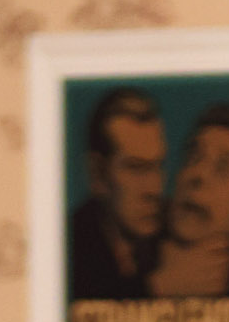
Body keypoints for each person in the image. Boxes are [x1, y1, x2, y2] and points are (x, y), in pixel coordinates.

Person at [149, 98, 229, 320]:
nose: (198, 175)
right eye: (192, 157)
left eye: (222, 168)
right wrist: (156, 288)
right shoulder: (119, 261)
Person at [66, 86, 168, 301]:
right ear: (98, 174)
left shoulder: (177, 232)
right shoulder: (67, 248)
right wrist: (155, 288)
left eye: (157, 166)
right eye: (136, 168)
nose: (155, 189)